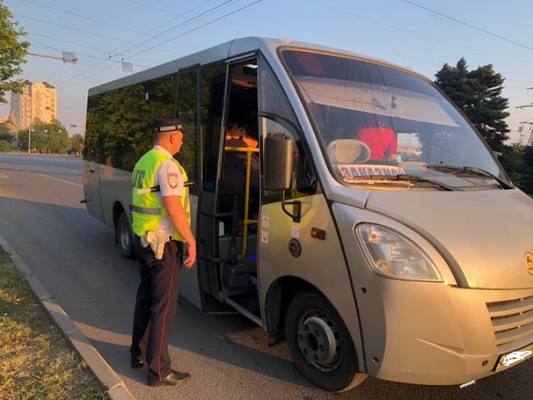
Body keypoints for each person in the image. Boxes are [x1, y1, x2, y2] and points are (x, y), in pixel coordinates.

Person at [129, 118, 196, 387]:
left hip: (144, 240)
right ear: (170, 138)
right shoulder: (168, 165)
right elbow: (173, 208)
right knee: (164, 306)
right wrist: (191, 241)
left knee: (146, 299)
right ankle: (159, 370)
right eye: (180, 136)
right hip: (164, 245)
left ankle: (138, 354)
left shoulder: (144, 161)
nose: (182, 141)